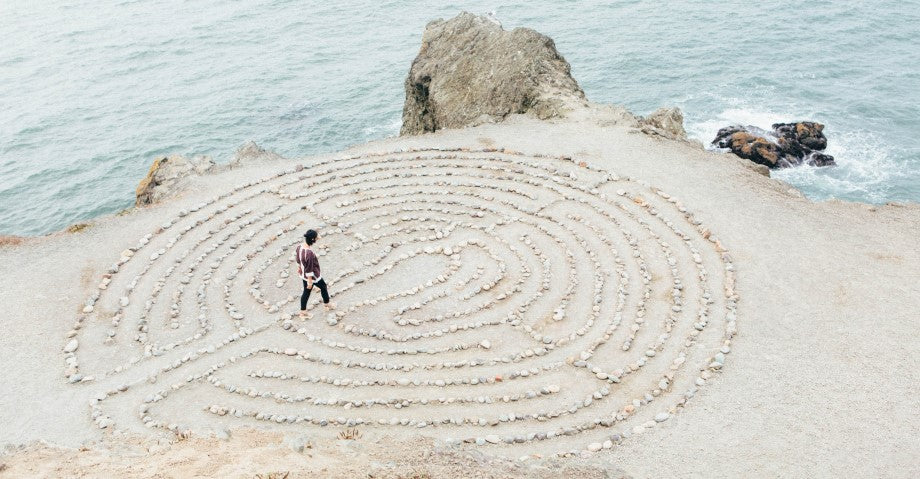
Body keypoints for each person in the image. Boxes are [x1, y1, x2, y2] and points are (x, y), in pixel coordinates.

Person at [294, 229, 334, 319]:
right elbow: (309, 267)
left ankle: (303, 311)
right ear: (312, 239)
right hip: (312, 276)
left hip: (303, 274)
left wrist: (299, 267)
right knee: (323, 286)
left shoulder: (299, 247)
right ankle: (327, 303)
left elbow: (298, 259)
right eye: (316, 238)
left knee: (306, 292)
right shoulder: (309, 253)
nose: (317, 238)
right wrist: (310, 281)